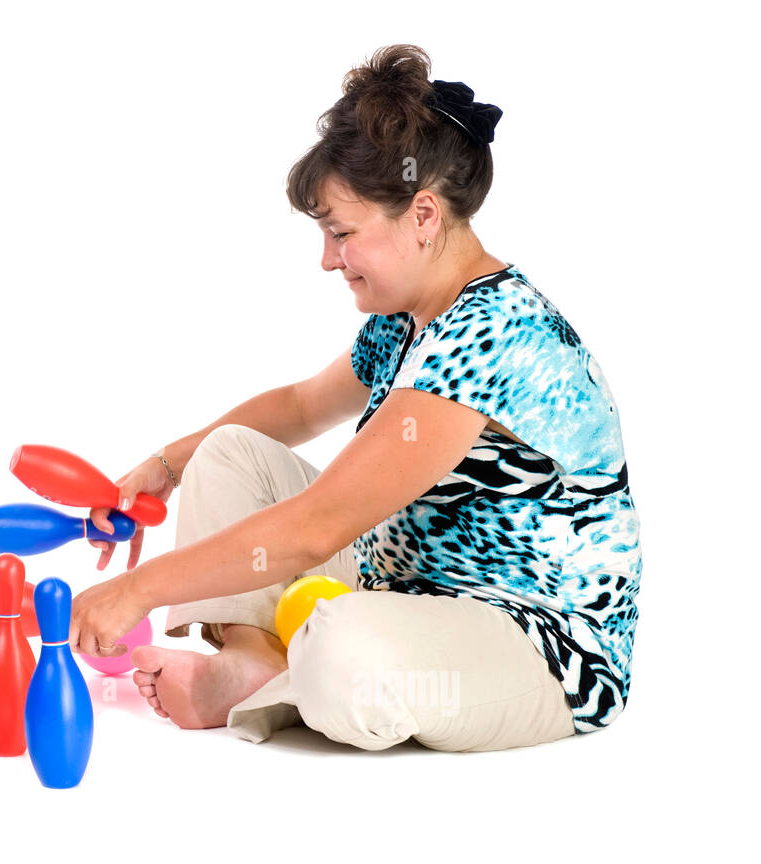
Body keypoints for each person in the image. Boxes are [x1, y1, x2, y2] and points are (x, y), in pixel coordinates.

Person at [68, 44, 642, 753]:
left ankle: (276, 679)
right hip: (408, 585)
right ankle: (252, 658)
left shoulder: (495, 334)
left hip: (537, 646)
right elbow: (304, 406)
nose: (328, 259)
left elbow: (320, 526)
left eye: (342, 233)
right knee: (229, 456)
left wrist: (141, 589)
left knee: (344, 651)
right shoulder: (408, 316)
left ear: (424, 215)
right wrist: (165, 464)